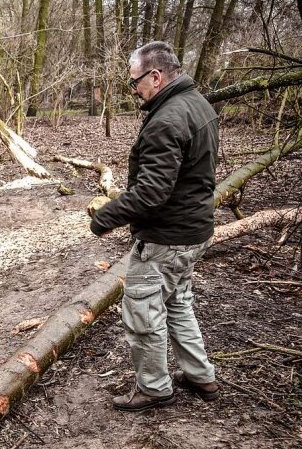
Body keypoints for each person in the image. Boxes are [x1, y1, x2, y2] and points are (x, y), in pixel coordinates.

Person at [88, 41, 221, 412]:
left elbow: (151, 193)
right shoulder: (199, 105)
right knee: (178, 302)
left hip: (168, 236)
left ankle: (154, 388)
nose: (134, 90)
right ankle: (200, 374)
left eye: (135, 82)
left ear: (156, 76)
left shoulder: (167, 119)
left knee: (143, 312)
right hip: (195, 229)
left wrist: (106, 217)